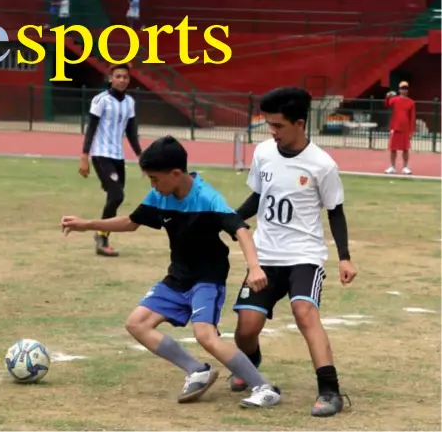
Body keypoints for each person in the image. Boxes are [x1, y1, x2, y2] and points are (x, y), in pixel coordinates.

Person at [62, 136, 281, 408]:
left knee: (205, 335)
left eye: (155, 179)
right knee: (137, 323)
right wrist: (87, 224)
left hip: (207, 278)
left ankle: (264, 387)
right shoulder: (160, 195)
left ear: (176, 174)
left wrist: (255, 267)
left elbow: (241, 230)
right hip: (178, 277)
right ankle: (197, 370)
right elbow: (132, 222)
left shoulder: (207, 198)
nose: (153, 186)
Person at [228, 87, 357, 417]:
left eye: (277, 126)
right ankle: (250, 364)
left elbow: (335, 211)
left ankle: (329, 390)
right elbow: (258, 198)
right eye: (269, 125)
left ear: (299, 123)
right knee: (246, 328)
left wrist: (344, 256)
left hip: (304, 256)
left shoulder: (322, 165)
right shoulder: (263, 153)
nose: (272, 132)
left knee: (304, 312)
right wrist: (229, 220)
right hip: (265, 257)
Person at [79, 63, 142, 257]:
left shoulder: (130, 102)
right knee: (117, 195)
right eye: (118, 76)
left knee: (114, 198)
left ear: (128, 80)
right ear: (110, 79)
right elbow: (91, 129)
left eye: (125, 77)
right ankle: (101, 236)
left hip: (118, 156)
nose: (122, 80)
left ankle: (102, 237)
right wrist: (84, 157)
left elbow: (131, 132)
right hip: (101, 154)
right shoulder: (101, 100)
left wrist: (142, 157)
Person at [384, 81, 416, 175]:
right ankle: (392, 167)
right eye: (402, 88)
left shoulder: (411, 102)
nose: (404, 90)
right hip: (395, 127)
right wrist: (387, 97)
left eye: (405, 88)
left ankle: (405, 167)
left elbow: (412, 117)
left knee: (405, 149)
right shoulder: (394, 100)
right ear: (399, 90)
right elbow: (386, 105)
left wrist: (411, 131)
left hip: (405, 129)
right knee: (393, 148)